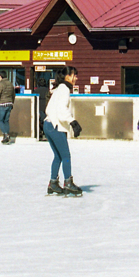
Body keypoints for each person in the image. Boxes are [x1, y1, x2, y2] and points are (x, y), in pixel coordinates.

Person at [43, 67, 82, 196]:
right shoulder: (64, 89)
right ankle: (68, 183)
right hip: (55, 126)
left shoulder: (58, 89)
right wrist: (72, 122)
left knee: (58, 156)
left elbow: (48, 109)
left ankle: (53, 183)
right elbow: (61, 109)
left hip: (48, 124)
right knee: (66, 156)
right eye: (74, 75)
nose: (76, 78)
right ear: (67, 77)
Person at [0, 73, 16, 144]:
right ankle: (6, 136)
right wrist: (12, 103)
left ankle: (6, 134)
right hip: (9, 104)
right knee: (6, 121)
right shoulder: (11, 84)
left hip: (2, 104)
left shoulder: (1, 84)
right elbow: (13, 95)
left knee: (0, 120)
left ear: (0, 76)